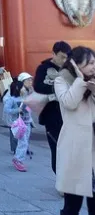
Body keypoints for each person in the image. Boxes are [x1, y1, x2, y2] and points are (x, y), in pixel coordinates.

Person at [54, 46, 95, 214]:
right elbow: (69, 103)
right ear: (77, 64)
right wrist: (80, 81)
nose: (93, 66)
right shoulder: (61, 80)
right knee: (72, 206)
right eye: (90, 63)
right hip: (75, 148)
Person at [34, 40, 71, 174]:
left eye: (67, 57)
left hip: (69, 114)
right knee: (56, 148)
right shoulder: (43, 68)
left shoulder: (71, 68)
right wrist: (58, 87)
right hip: (52, 115)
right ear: (53, 54)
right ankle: (60, 178)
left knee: (71, 149)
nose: (64, 60)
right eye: (62, 57)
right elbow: (38, 87)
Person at [3, 79, 32, 172]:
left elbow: (29, 109)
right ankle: (18, 160)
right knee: (23, 142)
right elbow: (6, 109)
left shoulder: (25, 98)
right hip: (19, 124)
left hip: (27, 122)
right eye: (22, 87)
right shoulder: (12, 99)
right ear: (17, 88)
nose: (24, 88)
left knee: (24, 142)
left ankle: (18, 158)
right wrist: (17, 110)